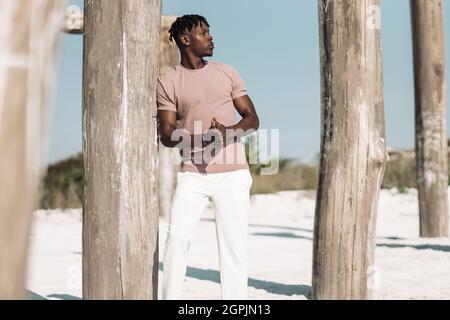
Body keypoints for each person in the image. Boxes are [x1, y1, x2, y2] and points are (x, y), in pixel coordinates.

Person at [156, 14, 259, 300]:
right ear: (185, 40)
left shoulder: (227, 72)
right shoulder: (168, 80)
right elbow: (165, 134)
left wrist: (229, 132)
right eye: (204, 33)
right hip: (193, 174)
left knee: (233, 246)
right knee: (177, 237)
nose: (211, 37)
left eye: (209, 31)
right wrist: (201, 139)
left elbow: (252, 118)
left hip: (233, 174)